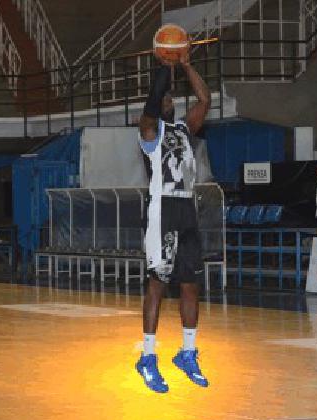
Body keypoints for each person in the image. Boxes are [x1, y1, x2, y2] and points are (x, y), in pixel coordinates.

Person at [134, 46, 211, 394]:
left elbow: (205, 99)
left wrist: (186, 65)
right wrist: (164, 69)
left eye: (170, 98)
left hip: (186, 209)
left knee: (191, 284)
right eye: (164, 98)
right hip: (161, 209)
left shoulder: (184, 129)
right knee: (157, 284)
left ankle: (187, 352)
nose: (168, 101)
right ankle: (147, 357)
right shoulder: (150, 132)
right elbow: (152, 104)